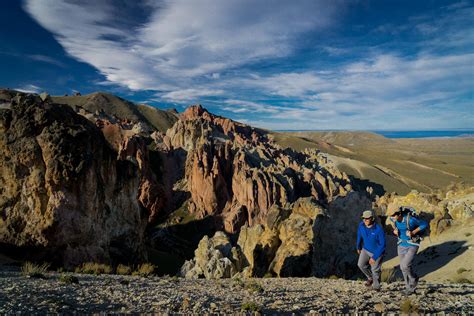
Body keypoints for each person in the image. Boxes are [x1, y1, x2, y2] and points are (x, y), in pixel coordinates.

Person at [388, 206, 428, 295]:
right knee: (403, 268)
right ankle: (409, 288)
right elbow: (395, 227)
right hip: (401, 244)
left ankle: (413, 279)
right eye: (391, 215)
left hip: (412, 243)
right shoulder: (393, 219)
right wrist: (394, 231)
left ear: (399, 214)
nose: (392, 217)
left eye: (394, 215)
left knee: (405, 265)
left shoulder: (410, 220)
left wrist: (413, 232)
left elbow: (424, 224)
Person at [356, 210, 386, 291]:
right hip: (365, 249)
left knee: (375, 269)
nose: (365, 220)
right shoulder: (361, 225)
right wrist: (358, 247)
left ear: (372, 218)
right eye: (364, 218)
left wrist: (375, 257)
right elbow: (359, 236)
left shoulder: (378, 229)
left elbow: (382, 245)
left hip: (377, 252)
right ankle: (370, 278)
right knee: (361, 264)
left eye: (367, 218)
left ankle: (376, 287)